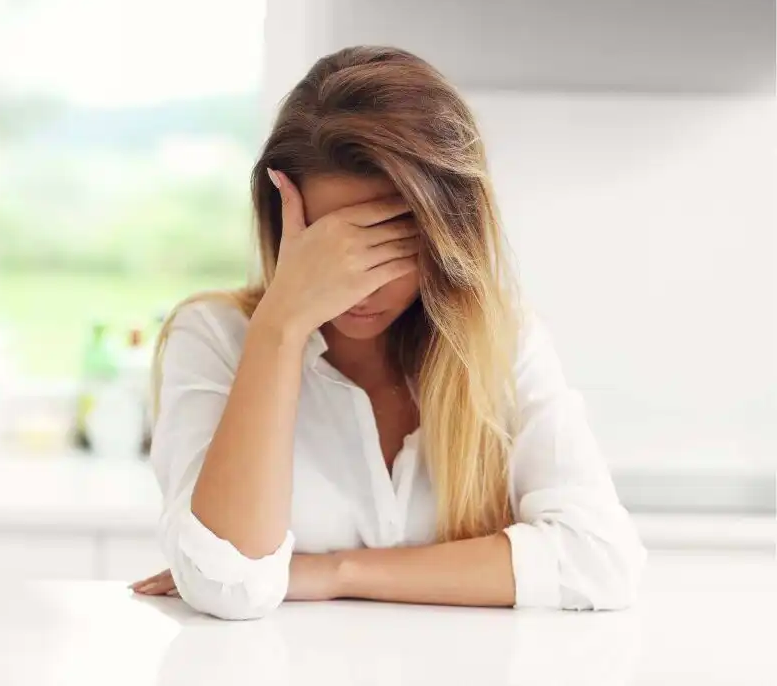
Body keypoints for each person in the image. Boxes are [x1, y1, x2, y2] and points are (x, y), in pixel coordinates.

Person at [129, 46, 646, 620]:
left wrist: (333, 571)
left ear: (448, 238)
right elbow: (228, 584)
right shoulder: (216, 338)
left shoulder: (501, 339)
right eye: (330, 253)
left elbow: (600, 560)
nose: (358, 288)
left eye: (390, 247)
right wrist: (282, 325)